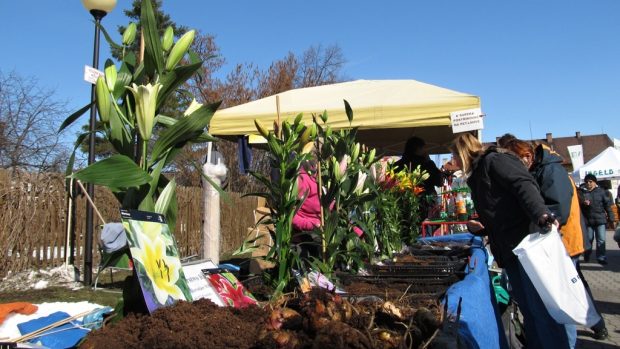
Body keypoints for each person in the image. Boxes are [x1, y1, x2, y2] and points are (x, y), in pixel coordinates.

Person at [451, 133, 570, 349]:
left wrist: (541, 214)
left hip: (526, 246)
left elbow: (523, 184)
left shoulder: (495, 160)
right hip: (511, 249)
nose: (455, 162)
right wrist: (484, 228)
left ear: (462, 152)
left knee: (541, 311)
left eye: (455, 157)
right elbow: (500, 209)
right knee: (530, 311)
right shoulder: (480, 172)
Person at [503, 139, 608, 343]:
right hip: (556, 243)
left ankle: (574, 339)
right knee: (565, 295)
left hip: (564, 243)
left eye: (515, 161)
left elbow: (558, 210)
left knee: (563, 298)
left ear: (528, 156)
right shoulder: (541, 170)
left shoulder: (551, 171)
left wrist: (533, 219)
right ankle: (593, 325)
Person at [394, 136, 445, 221]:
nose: (426, 150)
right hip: (426, 207)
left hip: (403, 207)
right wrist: (428, 160)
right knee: (427, 232)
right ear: (419, 149)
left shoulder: (397, 165)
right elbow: (439, 181)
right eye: (424, 148)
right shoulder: (427, 164)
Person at [579, 173, 615, 265]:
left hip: (600, 220)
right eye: (586, 182)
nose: (588, 183)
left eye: (590, 181)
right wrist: (583, 203)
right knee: (589, 239)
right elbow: (578, 206)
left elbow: (608, 206)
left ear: (595, 182)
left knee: (601, 240)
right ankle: (587, 254)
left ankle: (601, 257)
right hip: (588, 221)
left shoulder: (601, 192)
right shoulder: (582, 193)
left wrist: (611, 218)